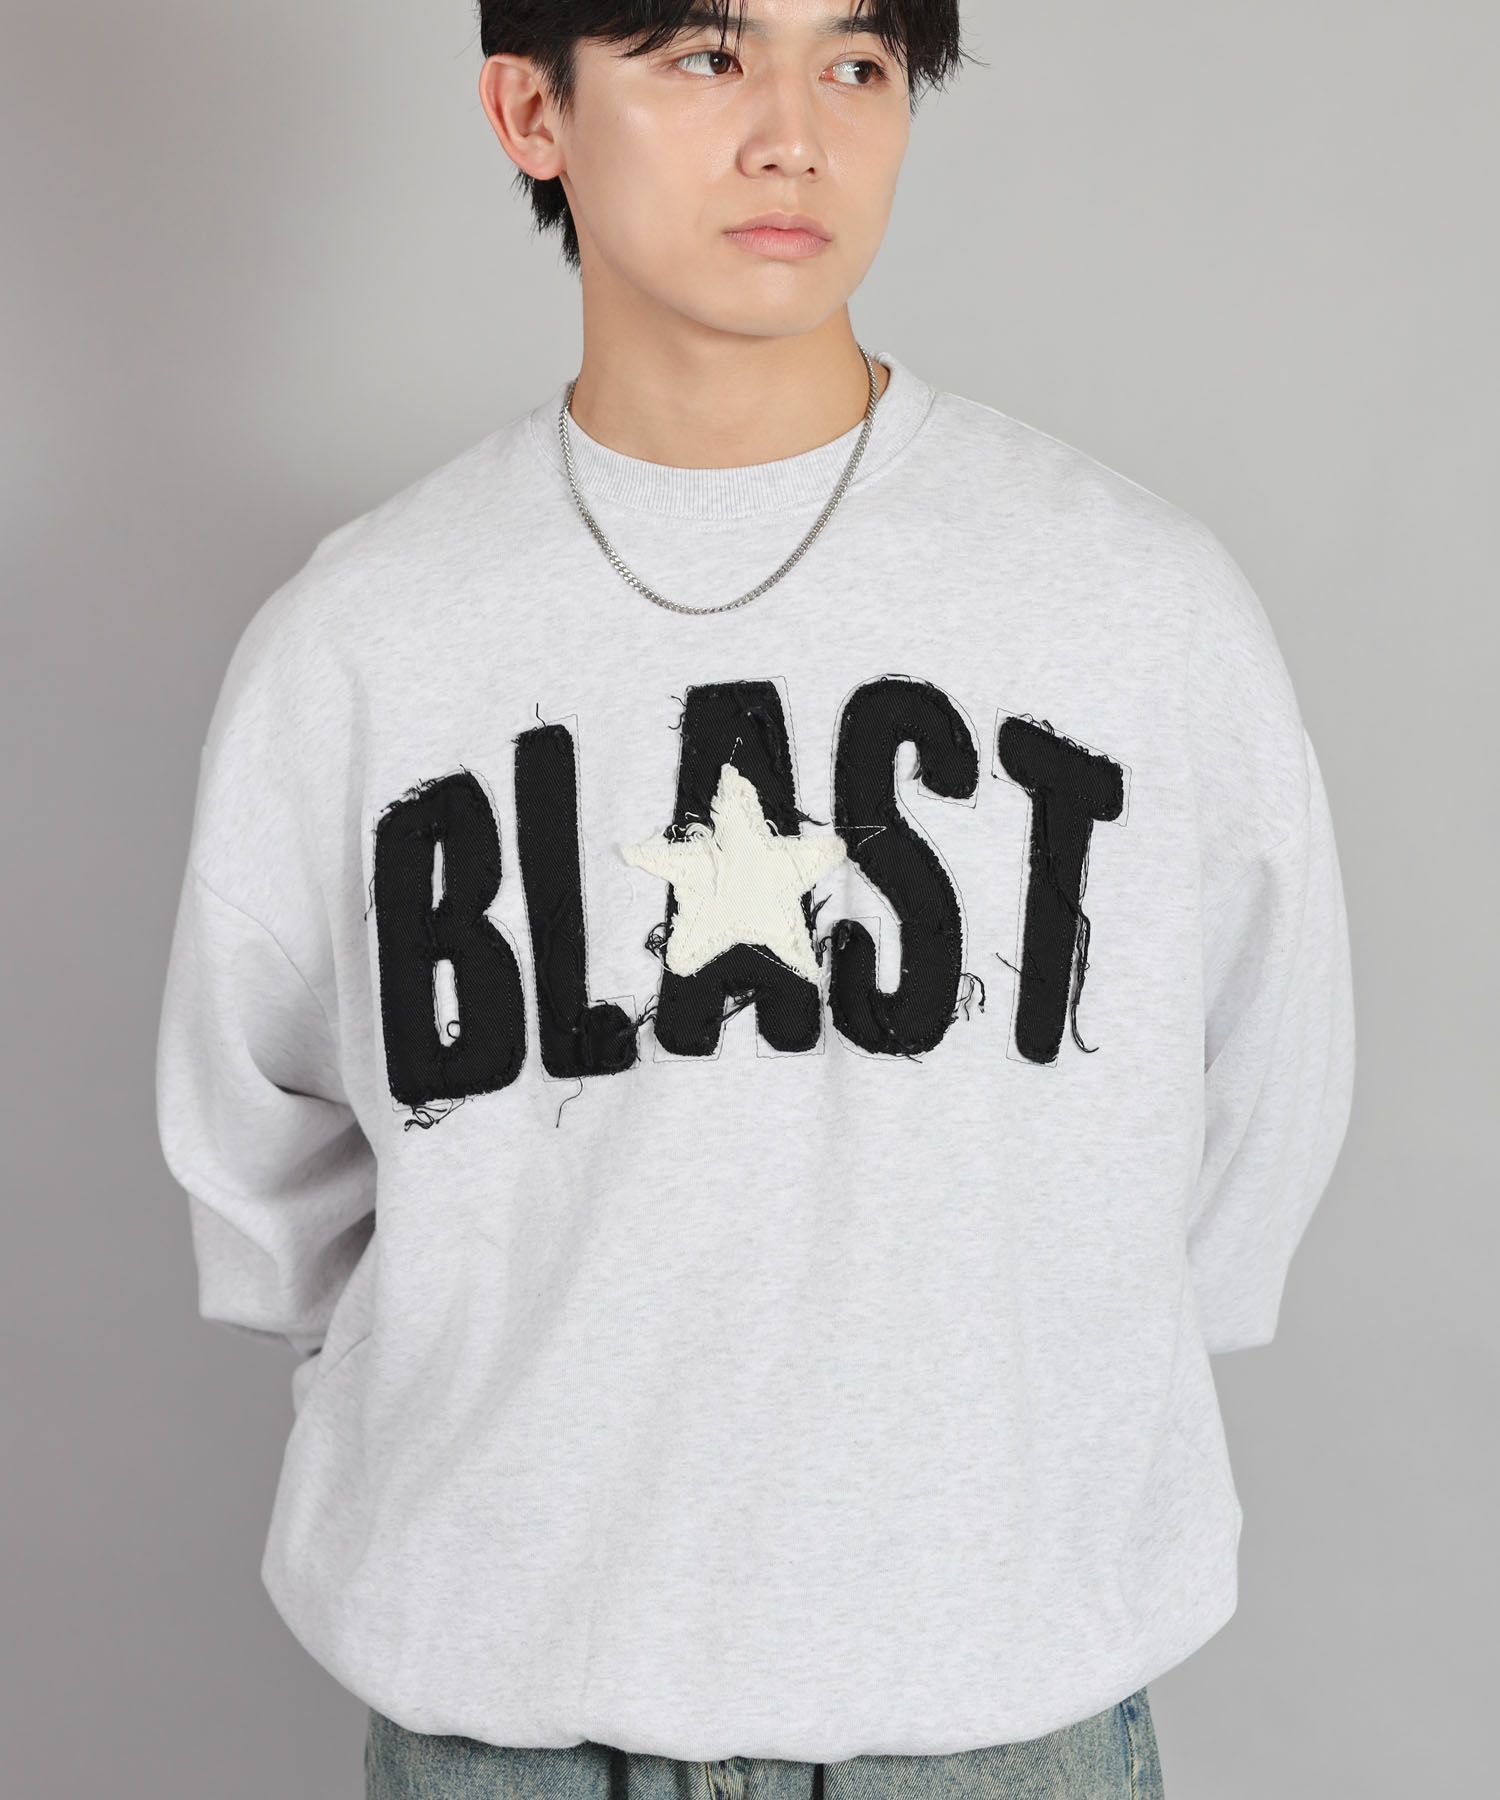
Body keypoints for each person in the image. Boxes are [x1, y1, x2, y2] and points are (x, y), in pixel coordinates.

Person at [153, 3, 1357, 1796]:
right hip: (510, 1724)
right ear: (531, 111)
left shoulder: (1133, 607)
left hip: (992, 1717)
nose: (797, 131)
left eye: (856, 65)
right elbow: (270, 1161)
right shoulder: (362, 643)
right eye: (707, 57)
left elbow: (1258, 1099)